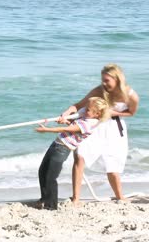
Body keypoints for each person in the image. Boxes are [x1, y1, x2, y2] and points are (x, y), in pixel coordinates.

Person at [60, 64, 140, 203]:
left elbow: (131, 113)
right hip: (95, 127)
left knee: (113, 164)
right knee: (80, 157)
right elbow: (78, 105)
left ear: (117, 79)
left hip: (114, 129)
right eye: (102, 79)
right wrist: (67, 113)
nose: (103, 83)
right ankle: (76, 198)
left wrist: (112, 113)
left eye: (107, 80)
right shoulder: (99, 90)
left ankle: (120, 197)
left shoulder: (131, 96)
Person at [35, 97, 110, 210]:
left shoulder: (89, 124)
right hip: (56, 144)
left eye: (88, 110)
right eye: (86, 108)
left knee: (51, 176)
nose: (84, 111)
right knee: (42, 171)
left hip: (62, 149)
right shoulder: (84, 118)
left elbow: (67, 130)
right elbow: (71, 124)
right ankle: (44, 199)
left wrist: (46, 130)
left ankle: (51, 206)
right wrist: (65, 120)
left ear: (97, 114)